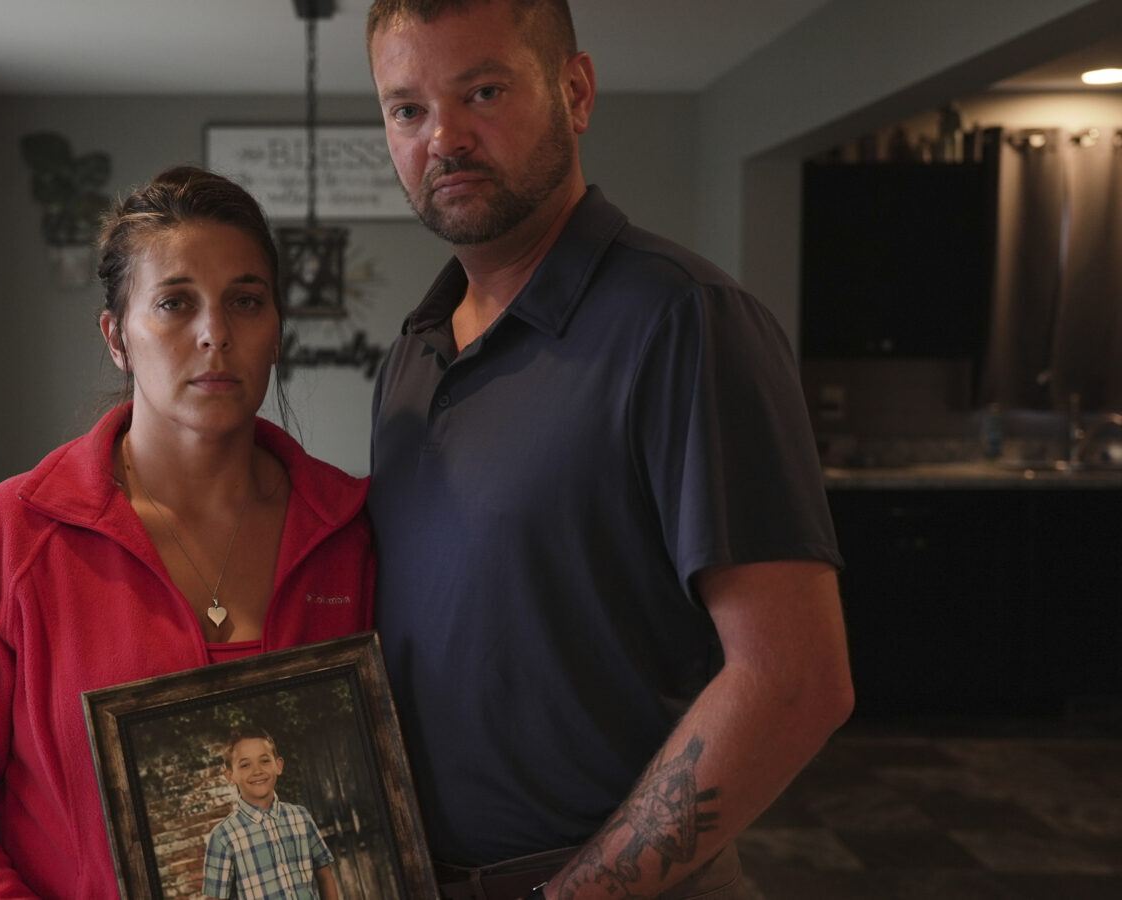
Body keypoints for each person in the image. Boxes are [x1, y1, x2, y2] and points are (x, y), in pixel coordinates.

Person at [362, 2, 854, 898]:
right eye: (408, 109)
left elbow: (795, 680)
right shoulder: (409, 359)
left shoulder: (685, 320)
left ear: (575, 92)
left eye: (482, 91)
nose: (444, 138)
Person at [0, 166, 376, 899]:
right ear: (117, 337)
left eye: (246, 302)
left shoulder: (355, 533)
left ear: (276, 331)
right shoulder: (6, 542)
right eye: (174, 303)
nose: (214, 334)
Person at [203, 725, 341, 900]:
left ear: (278, 765)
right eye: (245, 765)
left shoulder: (300, 817)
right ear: (230, 776)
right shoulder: (223, 837)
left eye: (265, 760)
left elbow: (325, 875)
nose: (257, 771)